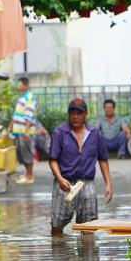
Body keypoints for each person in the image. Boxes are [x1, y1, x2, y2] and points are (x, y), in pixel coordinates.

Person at [48, 98, 113, 236]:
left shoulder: (95, 133)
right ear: (68, 114)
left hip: (87, 184)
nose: (75, 116)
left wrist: (108, 184)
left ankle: (87, 257)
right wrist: (59, 178)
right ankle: (59, 254)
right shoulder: (59, 132)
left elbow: (103, 160)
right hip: (64, 184)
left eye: (79, 113)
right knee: (57, 225)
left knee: (89, 227)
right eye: (72, 113)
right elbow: (52, 160)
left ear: (86, 114)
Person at [10, 77, 38, 184]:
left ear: (25, 86)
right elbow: (17, 114)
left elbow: (29, 115)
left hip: (25, 131)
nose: (18, 86)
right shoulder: (23, 97)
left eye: (20, 84)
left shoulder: (29, 98)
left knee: (27, 153)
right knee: (22, 153)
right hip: (19, 130)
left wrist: (26, 131)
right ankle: (27, 174)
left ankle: (30, 176)